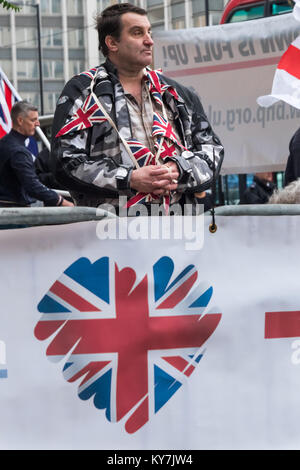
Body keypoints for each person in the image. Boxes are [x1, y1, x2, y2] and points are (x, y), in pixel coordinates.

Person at [51, 3, 224, 214]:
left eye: (149, 32)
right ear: (112, 43)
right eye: (137, 33)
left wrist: (179, 169)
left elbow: (212, 151)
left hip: (178, 229)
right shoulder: (83, 91)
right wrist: (130, 178)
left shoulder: (175, 93)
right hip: (110, 233)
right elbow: (65, 162)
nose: (149, 40)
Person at [0, 101, 73, 208]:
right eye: (33, 120)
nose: (38, 124)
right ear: (20, 120)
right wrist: (62, 202)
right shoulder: (18, 151)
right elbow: (32, 186)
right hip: (14, 212)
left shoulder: (4, 143)